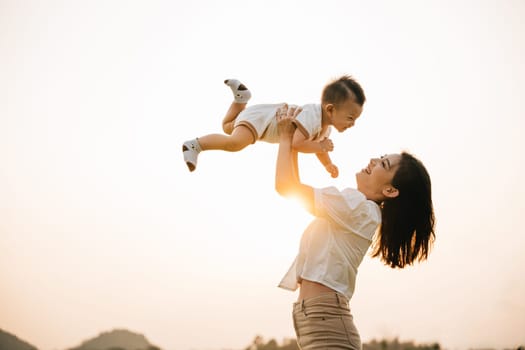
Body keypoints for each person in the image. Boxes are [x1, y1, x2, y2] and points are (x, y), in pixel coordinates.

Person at [274, 105, 436, 349]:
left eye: (383, 163)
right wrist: (295, 141)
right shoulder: (356, 210)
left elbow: (285, 186)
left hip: (328, 324)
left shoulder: (357, 208)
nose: (373, 160)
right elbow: (295, 185)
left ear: (390, 191)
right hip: (318, 321)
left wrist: (286, 136)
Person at [182, 76, 366, 177]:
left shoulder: (325, 127)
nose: (353, 124)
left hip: (259, 118)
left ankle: (241, 100)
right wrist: (320, 146)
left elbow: (318, 149)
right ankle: (195, 145)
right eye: (350, 117)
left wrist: (328, 164)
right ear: (331, 109)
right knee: (235, 143)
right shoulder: (313, 116)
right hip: (262, 120)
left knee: (227, 127)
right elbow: (296, 144)